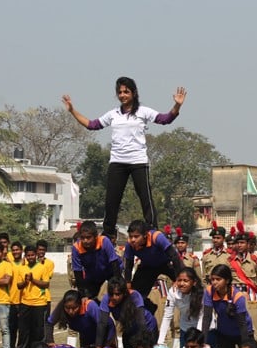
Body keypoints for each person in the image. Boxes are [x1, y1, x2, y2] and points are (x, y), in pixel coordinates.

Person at [62, 78, 187, 234]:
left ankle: (153, 229)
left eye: (126, 92)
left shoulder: (143, 111)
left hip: (138, 161)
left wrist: (177, 105)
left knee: (145, 197)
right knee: (111, 201)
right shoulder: (113, 114)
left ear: (133, 93)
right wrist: (72, 110)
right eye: (120, 92)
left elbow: (165, 119)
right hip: (117, 161)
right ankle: (108, 233)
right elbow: (91, 125)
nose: (122, 95)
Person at [123, 219, 183, 311]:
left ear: (145, 235)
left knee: (187, 280)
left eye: (136, 236)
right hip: (148, 267)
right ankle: (150, 307)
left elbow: (174, 256)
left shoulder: (157, 237)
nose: (133, 240)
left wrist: (178, 278)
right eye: (131, 237)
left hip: (166, 264)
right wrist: (128, 283)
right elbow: (128, 265)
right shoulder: (130, 244)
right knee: (133, 295)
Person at [201, 264, 253, 348]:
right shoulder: (209, 291)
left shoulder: (237, 296)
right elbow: (207, 317)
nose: (214, 282)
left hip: (243, 332)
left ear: (227, 281)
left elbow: (242, 324)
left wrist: (246, 345)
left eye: (218, 279)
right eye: (213, 279)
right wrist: (203, 340)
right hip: (224, 333)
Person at [228, 222, 257, 344]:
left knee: (255, 329)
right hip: (235, 296)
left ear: (247, 244)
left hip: (251, 297)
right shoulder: (229, 261)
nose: (239, 245)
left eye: (242, 243)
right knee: (235, 328)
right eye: (237, 243)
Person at [95, 277, 157, 348]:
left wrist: (144, 342)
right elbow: (102, 323)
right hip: (129, 328)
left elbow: (141, 322)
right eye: (111, 294)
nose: (114, 297)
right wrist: (98, 346)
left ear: (124, 293)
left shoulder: (134, 296)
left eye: (117, 294)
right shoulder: (106, 299)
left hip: (147, 326)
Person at [71, 221, 123, 300]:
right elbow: (78, 273)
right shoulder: (76, 248)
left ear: (95, 236)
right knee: (88, 299)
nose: (85, 241)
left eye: (88, 237)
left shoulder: (104, 241)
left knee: (118, 294)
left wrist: (117, 284)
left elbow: (114, 263)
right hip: (92, 275)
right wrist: (83, 294)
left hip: (111, 271)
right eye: (82, 238)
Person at [45, 289, 115, 347]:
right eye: (67, 308)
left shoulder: (89, 306)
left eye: (74, 308)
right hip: (86, 337)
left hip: (105, 334)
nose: (71, 311)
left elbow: (105, 324)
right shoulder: (61, 307)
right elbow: (49, 323)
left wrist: (100, 346)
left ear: (80, 304)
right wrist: (50, 342)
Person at [16, 246, 51, 348]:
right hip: (25, 302)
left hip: (39, 303)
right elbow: (18, 285)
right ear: (25, 256)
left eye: (32, 255)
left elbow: (46, 284)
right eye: (28, 255)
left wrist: (33, 280)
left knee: (38, 329)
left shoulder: (41, 268)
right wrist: (26, 282)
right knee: (23, 329)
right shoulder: (21, 269)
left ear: (36, 255)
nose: (30, 257)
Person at [157, 267, 205, 347]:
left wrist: (198, 339)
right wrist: (160, 341)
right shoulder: (173, 292)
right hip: (185, 328)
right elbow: (167, 316)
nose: (182, 284)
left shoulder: (201, 293)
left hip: (203, 329)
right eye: (179, 280)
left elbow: (202, 317)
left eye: (185, 281)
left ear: (194, 282)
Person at [8, 241, 26, 348]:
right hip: (11, 300)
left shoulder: (25, 265)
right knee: (11, 328)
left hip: (23, 300)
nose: (15, 252)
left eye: (17, 250)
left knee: (22, 328)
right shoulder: (9, 264)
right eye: (13, 250)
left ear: (21, 250)